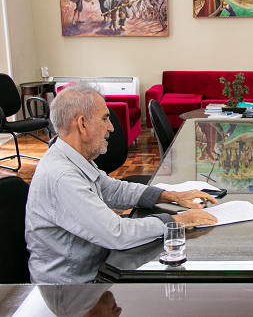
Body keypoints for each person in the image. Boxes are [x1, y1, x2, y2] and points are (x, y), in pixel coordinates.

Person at [25, 82, 218, 284]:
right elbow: (117, 234)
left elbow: (113, 189)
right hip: (74, 291)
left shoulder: (71, 156)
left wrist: (171, 196)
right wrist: (177, 221)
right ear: (82, 124)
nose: (111, 127)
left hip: (95, 269)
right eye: (105, 118)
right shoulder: (62, 176)